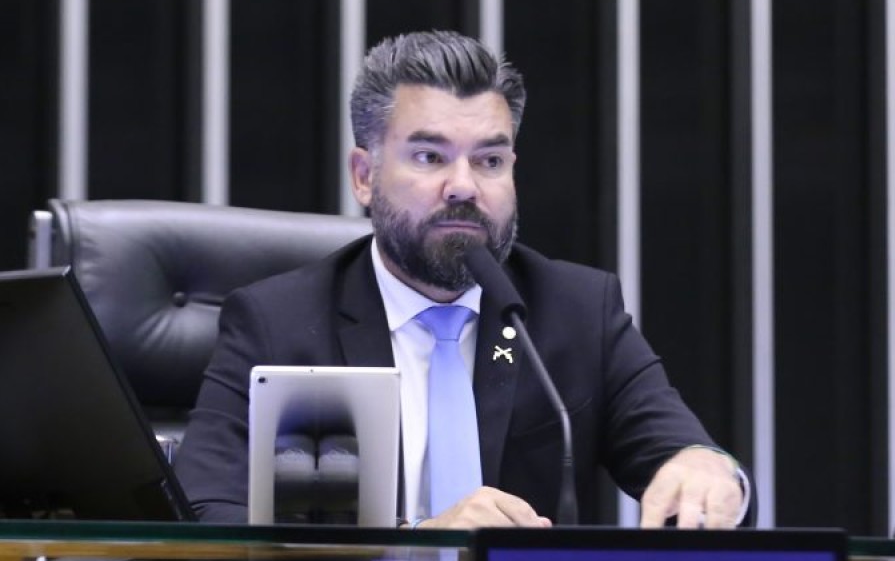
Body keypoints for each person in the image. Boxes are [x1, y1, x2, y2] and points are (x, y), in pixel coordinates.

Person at [173, 30, 749, 531]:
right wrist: (414, 542)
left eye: (489, 160)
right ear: (365, 175)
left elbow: (683, 453)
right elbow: (204, 513)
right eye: (430, 157)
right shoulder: (279, 323)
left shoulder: (577, 311)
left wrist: (709, 469)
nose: (464, 186)